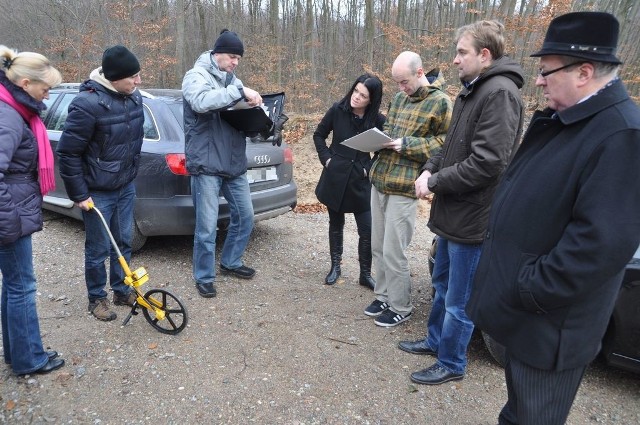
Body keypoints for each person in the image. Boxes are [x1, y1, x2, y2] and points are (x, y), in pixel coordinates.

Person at [466, 12, 640, 424]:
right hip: (529, 319)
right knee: (519, 414)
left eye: (546, 71)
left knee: (533, 418)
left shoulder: (621, 134)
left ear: (583, 72)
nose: (539, 80)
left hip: (551, 326)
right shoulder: (570, 121)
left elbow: (601, 244)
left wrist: (531, 288)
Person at [403, 21, 525, 385]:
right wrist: (428, 169)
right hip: (453, 214)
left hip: (474, 220)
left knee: (459, 300)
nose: (454, 60)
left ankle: (452, 362)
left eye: (462, 52)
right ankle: (435, 341)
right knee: (441, 284)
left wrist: (437, 182)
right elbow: (450, 145)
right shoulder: (471, 91)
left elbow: (488, 163)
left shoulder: (500, 93)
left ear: (484, 55)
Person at [364, 51, 452, 327]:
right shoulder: (400, 98)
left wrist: (408, 145)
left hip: (405, 186)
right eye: (397, 82)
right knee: (377, 245)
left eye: (404, 81)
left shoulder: (441, 102)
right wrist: (380, 141)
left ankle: (401, 305)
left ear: (420, 72)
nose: (400, 88)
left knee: (394, 249)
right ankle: (383, 295)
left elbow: (447, 143)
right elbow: (390, 129)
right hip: (380, 179)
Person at [57, 45, 143, 321]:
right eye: (133, 76)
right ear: (115, 77)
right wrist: (79, 194)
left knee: (124, 241)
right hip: (97, 191)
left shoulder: (133, 97)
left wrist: (131, 173)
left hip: (125, 185)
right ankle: (97, 298)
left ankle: (121, 289)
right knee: (98, 249)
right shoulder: (86, 104)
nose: (138, 81)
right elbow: (68, 153)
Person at [182, 29, 263, 298]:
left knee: (246, 216)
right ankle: (204, 276)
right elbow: (201, 102)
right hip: (206, 164)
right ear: (217, 54)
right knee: (206, 227)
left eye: (238, 58)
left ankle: (231, 262)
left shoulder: (232, 80)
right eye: (232, 56)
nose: (235, 62)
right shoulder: (196, 76)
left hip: (233, 162)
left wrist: (260, 119)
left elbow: (234, 117)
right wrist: (238, 90)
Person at [0, 45, 65, 374]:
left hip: (14, 211)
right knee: (22, 286)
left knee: (13, 285)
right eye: (45, 88)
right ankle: (30, 359)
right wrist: (9, 219)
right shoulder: (9, 116)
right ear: (25, 84)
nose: (48, 95)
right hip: (10, 215)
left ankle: (17, 354)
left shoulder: (13, 109)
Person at [313, 74, 385, 289]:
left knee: (367, 229)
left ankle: (365, 273)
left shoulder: (378, 121)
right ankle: (335, 266)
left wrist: (369, 168)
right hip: (335, 176)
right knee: (336, 225)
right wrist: (326, 159)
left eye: (363, 95)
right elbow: (319, 135)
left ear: (371, 100)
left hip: (360, 181)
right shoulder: (338, 110)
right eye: (356, 91)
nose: (356, 97)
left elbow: (385, 150)